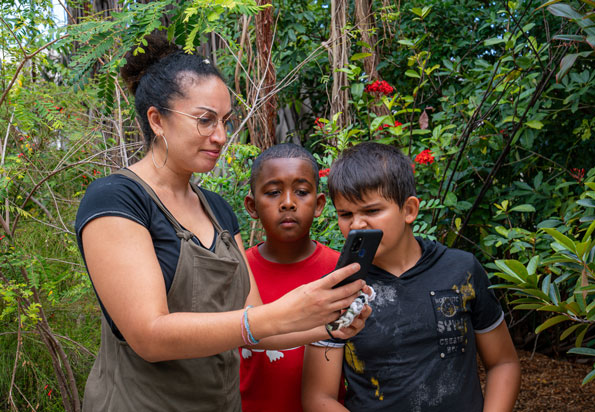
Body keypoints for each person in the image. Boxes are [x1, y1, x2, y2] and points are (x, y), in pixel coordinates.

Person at [74, 35, 371, 412]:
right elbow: (149, 336)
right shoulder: (117, 199)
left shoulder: (215, 209)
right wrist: (279, 313)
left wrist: (328, 328)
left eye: (225, 121)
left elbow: (256, 332)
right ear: (156, 120)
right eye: (205, 120)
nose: (221, 136)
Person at [302, 142, 521, 412]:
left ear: (409, 210)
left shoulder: (461, 270)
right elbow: (318, 397)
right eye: (345, 214)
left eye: (372, 211)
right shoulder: (339, 290)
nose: (357, 225)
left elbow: (503, 363)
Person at [239, 143, 342, 412]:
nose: (287, 202)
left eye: (301, 192)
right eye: (273, 192)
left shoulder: (341, 270)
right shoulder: (235, 271)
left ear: (319, 204)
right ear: (251, 206)